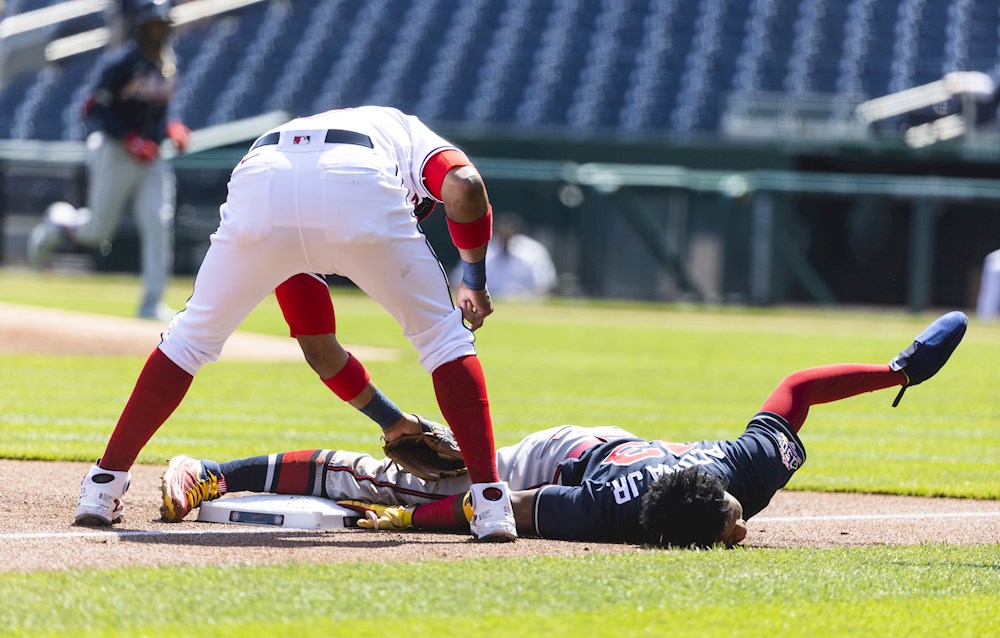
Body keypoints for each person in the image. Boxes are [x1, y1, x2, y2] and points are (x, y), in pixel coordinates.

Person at [72, 104, 518, 542]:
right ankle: (492, 502)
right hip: (357, 175)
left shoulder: (337, 149)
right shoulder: (408, 134)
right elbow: (464, 183)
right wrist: (474, 281)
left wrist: (391, 421)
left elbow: (319, 348)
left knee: (188, 341)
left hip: (264, 174)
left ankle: (101, 487)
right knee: (444, 341)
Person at [160, 311, 967, 548]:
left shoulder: (734, 469)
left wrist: (896, 372)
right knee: (405, 481)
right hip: (560, 457)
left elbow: (798, 389)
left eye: (724, 523)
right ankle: (215, 470)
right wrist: (413, 513)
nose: (740, 522)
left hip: (598, 452)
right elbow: (495, 500)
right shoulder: (623, 507)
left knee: (420, 494)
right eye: (731, 519)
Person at [27, 0, 190, 321]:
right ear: (143, 26)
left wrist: (172, 127)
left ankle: (151, 304)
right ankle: (59, 222)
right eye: (155, 24)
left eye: (163, 23)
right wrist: (131, 137)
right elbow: (94, 108)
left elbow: (159, 110)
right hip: (116, 151)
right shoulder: (122, 63)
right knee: (97, 231)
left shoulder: (169, 62)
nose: (161, 29)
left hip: (153, 157)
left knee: (158, 223)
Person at [452, 213, 556, 299]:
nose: (506, 238)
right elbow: (458, 281)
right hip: (491, 301)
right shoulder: (481, 251)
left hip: (527, 304)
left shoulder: (533, 252)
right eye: (502, 234)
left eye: (510, 234)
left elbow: (546, 285)